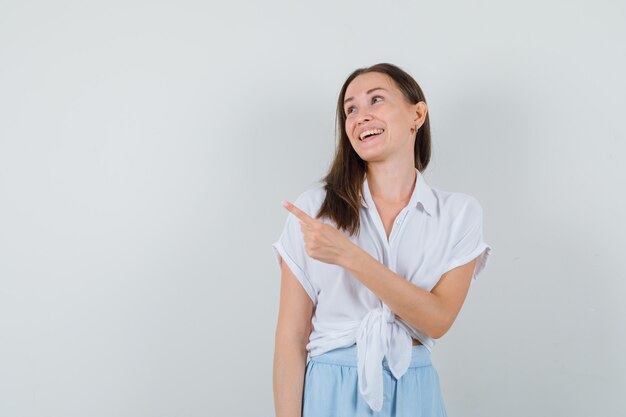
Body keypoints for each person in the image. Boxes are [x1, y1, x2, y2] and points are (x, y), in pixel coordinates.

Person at [272, 63, 492, 417]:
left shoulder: (458, 213)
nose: (362, 116)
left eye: (376, 100)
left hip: (415, 389)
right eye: (351, 109)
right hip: (331, 389)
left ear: (417, 114)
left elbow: (437, 320)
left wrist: (348, 255)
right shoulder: (315, 209)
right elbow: (291, 339)